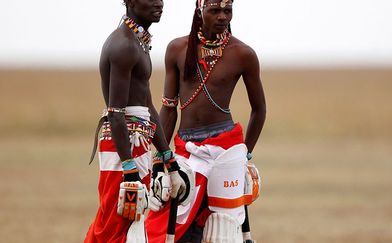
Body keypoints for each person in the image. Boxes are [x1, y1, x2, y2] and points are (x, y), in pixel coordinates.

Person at [145, 0, 266, 242]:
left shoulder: (243, 54)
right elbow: (169, 109)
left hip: (227, 149)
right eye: (215, 10)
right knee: (172, 222)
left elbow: (259, 109)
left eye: (227, 10)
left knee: (224, 227)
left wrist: (245, 156)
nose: (222, 16)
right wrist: (160, 161)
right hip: (186, 148)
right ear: (200, 11)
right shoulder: (177, 49)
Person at [84, 0, 190, 242]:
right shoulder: (124, 45)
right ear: (130, 1)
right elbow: (115, 112)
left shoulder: (138, 43)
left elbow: (148, 106)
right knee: (113, 221)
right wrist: (129, 168)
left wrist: (168, 158)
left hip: (135, 142)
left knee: (132, 222)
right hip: (122, 145)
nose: (159, 3)